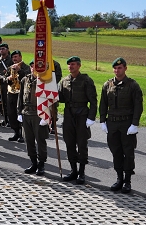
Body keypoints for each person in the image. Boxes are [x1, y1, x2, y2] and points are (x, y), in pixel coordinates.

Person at [99, 57, 143, 193]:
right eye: (115, 68)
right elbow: (103, 104)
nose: (117, 70)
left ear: (125, 68)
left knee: (128, 152)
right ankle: (119, 179)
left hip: (126, 124)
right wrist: (102, 120)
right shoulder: (107, 85)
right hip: (112, 123)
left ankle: (127, 181)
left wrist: (135, 123)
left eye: (120, 68)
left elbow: (138, 106)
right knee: (116, 152)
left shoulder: (133, 85)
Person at [58, 56, 98, 184]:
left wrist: (91, 118)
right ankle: (73, 170)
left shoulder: (86, 80)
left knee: (81, 144)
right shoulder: (64, 81)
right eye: (69, 64)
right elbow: (60, 98)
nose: (71, 66)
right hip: (69, 114)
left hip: (82, 114)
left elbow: (93, 101)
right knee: (69, 143)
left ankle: (81, 172)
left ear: (79, 65)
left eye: (73, 64)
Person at [18, 60, 49, 175]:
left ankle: (41, 164)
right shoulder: (24, 80)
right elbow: (20, 97)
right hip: (26, 113)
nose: (33, 69)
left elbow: (51, 100)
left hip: (39, 114)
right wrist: (19, 112)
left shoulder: (45, 81)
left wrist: (47, 116)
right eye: (31, 67)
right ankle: (33, 162)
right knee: (28, 140)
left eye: (35, 67)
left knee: (40, 140)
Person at [6, 50, 30, 142]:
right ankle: (16, 132)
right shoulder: (10, 68)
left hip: (21, 94)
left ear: (20, 57)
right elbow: (4, 78)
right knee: (11, 114)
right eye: (13, 57)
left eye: (16, 57)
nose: (14, 59)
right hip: (12, 93)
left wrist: (20, 71)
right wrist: (8, 78)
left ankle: (22, 134)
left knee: (20, 113)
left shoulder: (26, 67)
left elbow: (28, 77)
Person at [0, 43, 13, 127]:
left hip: (9, 84)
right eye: (0, 49)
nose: (1, 50)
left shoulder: (11, 60)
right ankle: (5, 119)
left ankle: (10, 120)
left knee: (8, 103)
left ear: (7, 50)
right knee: (0, 103)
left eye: (3, 49)